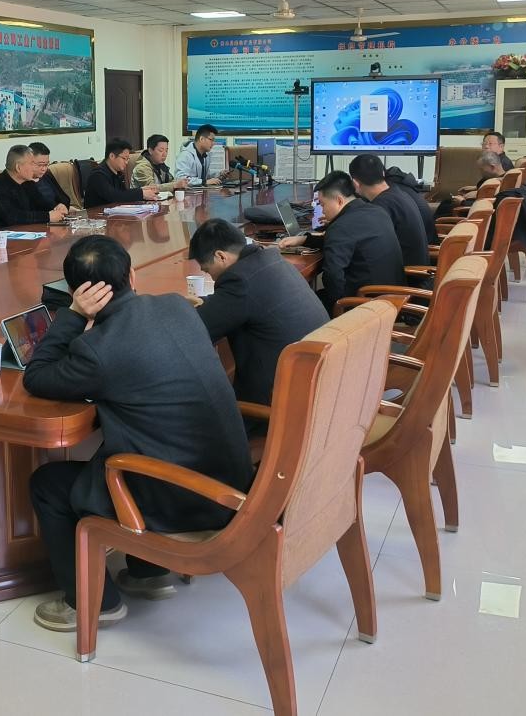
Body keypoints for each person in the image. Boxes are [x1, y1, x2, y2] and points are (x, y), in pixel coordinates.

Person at [24, 236, 252, 632]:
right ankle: (149, 574)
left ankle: (94, 603)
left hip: (187, 500)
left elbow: (37, 376)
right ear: (132, 275)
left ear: (76, 292)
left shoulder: (98, 350)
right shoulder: (177, 306)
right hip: (229, 479)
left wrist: (73, 315)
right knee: (138, 442)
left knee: (48, 484)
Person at [188, 219, 329, 406]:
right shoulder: (272, 260)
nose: (211, 277)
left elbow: (196, 329)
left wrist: (174, 307)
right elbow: (242, 300)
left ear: (221, 256)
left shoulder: (239, 280)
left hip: (278, 402)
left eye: (207, 270)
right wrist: (206, 302)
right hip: (316, 383)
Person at [281, 171, 404, 312]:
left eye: (322, 204)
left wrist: (338, 309)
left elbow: (333, 278)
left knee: (297, 306)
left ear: (339, 201)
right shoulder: (377, 212)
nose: (322, 211)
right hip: (393, 299)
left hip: (363, 306)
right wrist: (304, 239)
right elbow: (349, 240)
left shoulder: (340, 227)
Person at [349, 154, 429, 267]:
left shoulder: (381, 207)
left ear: (355, 183)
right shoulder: (397, 193)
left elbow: (365, 246)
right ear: (383, 173)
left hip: (405, 274)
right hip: (417, 269)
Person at [0, 144, 68, 228]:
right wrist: (48, 216)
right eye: (32, 164)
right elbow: (12, 217)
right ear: (18, 167)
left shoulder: (27, 182)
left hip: (26, 231)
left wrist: (57, 207)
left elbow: (42, 204)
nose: (34, 168)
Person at [84, 137, 159, 207]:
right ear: (112, 156)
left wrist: (141, 190)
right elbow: (114, 196)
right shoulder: (98, 175)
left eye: (128, 159)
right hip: (96, 214)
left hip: (113, 212)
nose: (126, 162)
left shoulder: (118, 173)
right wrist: (141, 193)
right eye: (124, 158)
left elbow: (123, 193)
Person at [26, 141, 71, 209]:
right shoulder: (22, 182)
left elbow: (63, 198)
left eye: (46, 164)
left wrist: (62, 205)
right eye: (40, 165)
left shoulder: (46, 175)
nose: (44, 169)